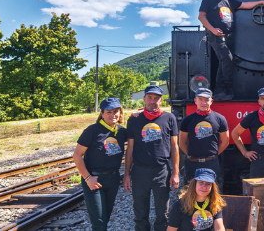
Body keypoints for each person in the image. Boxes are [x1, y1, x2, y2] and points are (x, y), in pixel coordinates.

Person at [198, 0, 264, 100]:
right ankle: (227, 89)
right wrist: (213, 30)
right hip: (217, 36)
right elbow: (201, 16)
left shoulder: (229, 2)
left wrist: (260, 2)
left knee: (224, 62)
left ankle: (219, 91)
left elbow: (246, 5)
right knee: (227, 59)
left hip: (229, 37)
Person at [124, 85, 180, 231]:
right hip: (139, 172)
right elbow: (130, 148)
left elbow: (174, 147)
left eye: (156, 98)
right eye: (150, 97)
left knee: (163, 213)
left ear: (161, 100)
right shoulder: (134, 120)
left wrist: (175, 173)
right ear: (144, 99)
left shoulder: (169, 118)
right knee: (140, 213)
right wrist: (126, 175)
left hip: (161, 171)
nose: (152, 101)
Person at [73, 98, 126, 231]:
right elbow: (77, 155)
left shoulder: (121, 131)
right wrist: (87, 178)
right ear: (101, 113)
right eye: (109, 112)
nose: (113, 115)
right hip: (94, 180)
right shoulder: (92, 130)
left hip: (113, 179)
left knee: (105, 219)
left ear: (120, 113)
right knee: (99, 223)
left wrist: (137, 116)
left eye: (116, 111)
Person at [178, 88, 229, 186]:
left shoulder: (220, 119)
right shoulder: (187, 120)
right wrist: (191, 154)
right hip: (192, 163)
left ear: (211, 101)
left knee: (215, 193)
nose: (203, 102)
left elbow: (225, 141)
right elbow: (182, 143)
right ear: (195, 101)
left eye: (206, 100)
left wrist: (213, 155)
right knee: (189, 192)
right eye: (200, 99)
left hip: (212, 163)